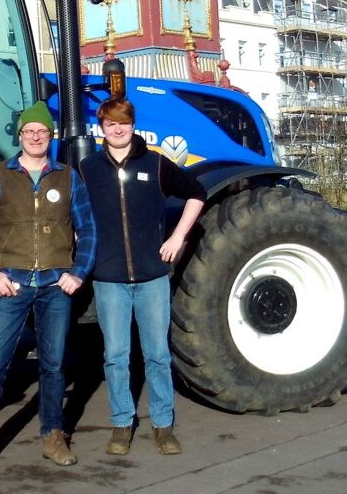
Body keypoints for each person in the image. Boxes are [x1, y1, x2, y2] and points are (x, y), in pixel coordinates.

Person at [0, 101, 97, 478]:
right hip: (11, 286)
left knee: (53, 366)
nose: (35, 136)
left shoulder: (68, 178)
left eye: (42, 131)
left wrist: (78, 273)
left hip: (54, 286)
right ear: (20, 137)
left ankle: (53, 435)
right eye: (29, 131)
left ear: (51, 136)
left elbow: (89, 229)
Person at [79, 97, 205, 457]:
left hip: (152, 276)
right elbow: (76, 214)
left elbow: (196, 193)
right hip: (109, 278)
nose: (117, 130)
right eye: (110, 124)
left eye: (124, 123)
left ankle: (163, 426)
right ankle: (122, 424)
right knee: (116, 355)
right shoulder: (88, 169)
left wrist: (178, 237)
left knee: (157, 355)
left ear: (133, 126)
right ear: (101, 128)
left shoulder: (157, 164)